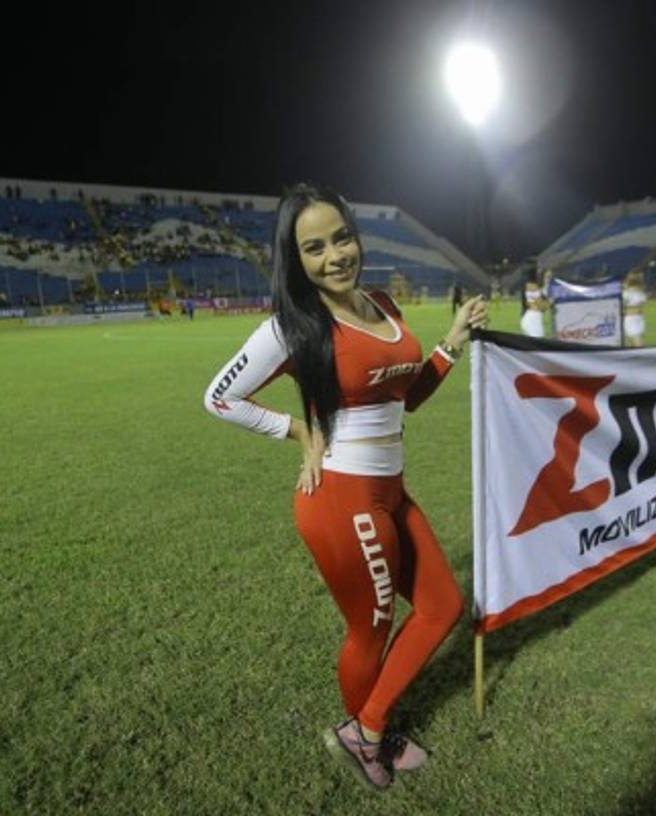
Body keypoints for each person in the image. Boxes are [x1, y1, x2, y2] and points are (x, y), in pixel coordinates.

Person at [203, 184, 487, 790]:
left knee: (443, 606)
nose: (334, 255)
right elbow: (219, 397)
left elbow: (403, 396)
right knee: (372, 628)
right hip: (341, 499)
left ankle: (368, 727)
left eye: (341, 237)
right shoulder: (291, 325)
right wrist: (299, 430)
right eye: (314, 247)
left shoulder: (382, 303)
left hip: (391, 490)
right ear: (295, 259)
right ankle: (369, 736)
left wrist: (450, 345)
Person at [622, 269, 648, 347]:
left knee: (631, 341)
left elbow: (623, 305)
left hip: (630, 318)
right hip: (639, 317)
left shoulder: (626, 293)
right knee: (637, 338)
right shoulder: (641, 293)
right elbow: (642, 303)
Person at [520, 271, 550, 338]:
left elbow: (543, 308)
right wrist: (550, 302)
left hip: (535, 319)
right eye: (547, 277)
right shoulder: (532, 287)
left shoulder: (542, 289)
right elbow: (542, 307)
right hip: (532, 320)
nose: (548, 279)